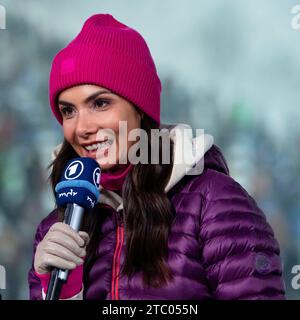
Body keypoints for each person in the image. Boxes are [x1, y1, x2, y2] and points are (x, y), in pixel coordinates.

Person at [28, 13, 286, 300]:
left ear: (140, 108)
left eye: (100, 103)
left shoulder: (214, 204)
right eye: (68, 111)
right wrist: (64, 292)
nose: (83, 128)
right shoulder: (55, 230)